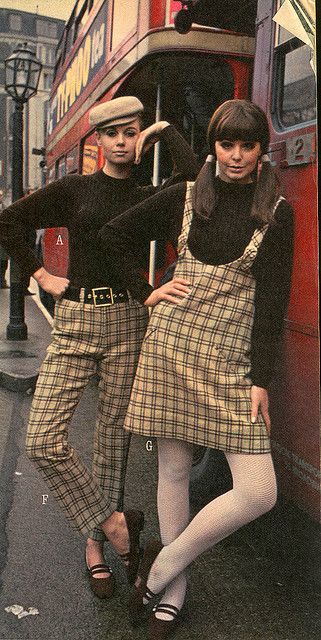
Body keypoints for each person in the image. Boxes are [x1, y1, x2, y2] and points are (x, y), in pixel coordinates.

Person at [98, 99, 293, 638]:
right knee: (174, 472)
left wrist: (261, 379)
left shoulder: (276, 211)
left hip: (232, 362)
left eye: (247, 145)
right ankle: (175, 590)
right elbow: (112, 235)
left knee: (259, 490)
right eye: (226, 144)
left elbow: (273, 302)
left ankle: (163, 565)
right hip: (174, 347)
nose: (235, 156)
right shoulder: (187, 196)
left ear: (260, 151)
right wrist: (148, 291)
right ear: (213, 146)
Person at [0, 96, 198, 599]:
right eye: (113, 134)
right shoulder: (74, 189)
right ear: (99, 140)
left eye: (132, 133)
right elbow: (9, 221)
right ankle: (115, 525)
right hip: (76, 320)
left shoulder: (150, 194)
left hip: (130, 321)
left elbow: (194, 181)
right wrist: (41, 275)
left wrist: (167, 128)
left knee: (112, 442)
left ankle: (95, 545)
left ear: (139, 137)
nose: (123, 143)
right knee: (42, 438)